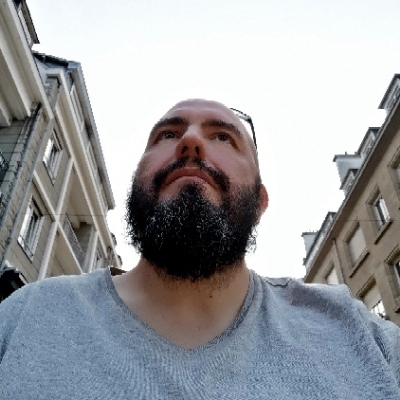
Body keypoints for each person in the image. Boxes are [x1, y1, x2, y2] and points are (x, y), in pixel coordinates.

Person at [0, 99, 399, 399]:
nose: (190, 141)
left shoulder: (355, 333)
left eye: (223, 137)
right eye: (167, 135)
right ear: (137, 183)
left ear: (259, 203)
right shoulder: (26, 317)